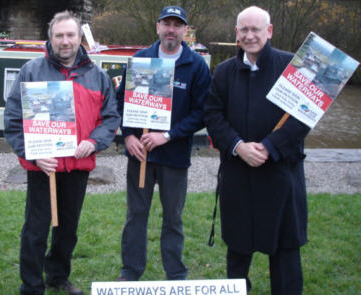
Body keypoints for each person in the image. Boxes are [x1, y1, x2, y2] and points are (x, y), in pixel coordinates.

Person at [4, 10, 120, 295]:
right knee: (35, 231)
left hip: (77, 167)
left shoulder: (98, 75)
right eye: (59, 35)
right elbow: (12, 121)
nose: (65, 41)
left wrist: (94, 141)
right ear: (50, 38)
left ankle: (57, 276)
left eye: (70, 35)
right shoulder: (31, 71)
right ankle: (31, 286)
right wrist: (33, 155)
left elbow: (110, 118)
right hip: (44, 167)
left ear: (79, 38)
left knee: (67, 230)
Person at [204, 6, 310, 294]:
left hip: (281, 173)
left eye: (256, 30)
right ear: (236, 34)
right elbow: (213, 115)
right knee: (238, 250)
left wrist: (269, 146)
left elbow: (304, 117)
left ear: (269, 31)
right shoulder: (225, 72)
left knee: (285, 251)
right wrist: (238, 146)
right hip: (238, 174)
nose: (250, 36)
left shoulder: (293, 67)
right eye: (244, 30)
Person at [116, 6, 211, 281]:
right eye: (166, 24)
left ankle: (176, 273)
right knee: (136, 216)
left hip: (175, 157)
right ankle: (131, 271)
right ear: (157, 27)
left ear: (185, 30)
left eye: (177, 25)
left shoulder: (196, 66)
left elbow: (202, 113)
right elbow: (122, 102)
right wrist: (129, 136)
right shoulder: (140, 60)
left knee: (173, 218)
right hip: (141, 156)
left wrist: (167, 135)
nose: (171, 29)